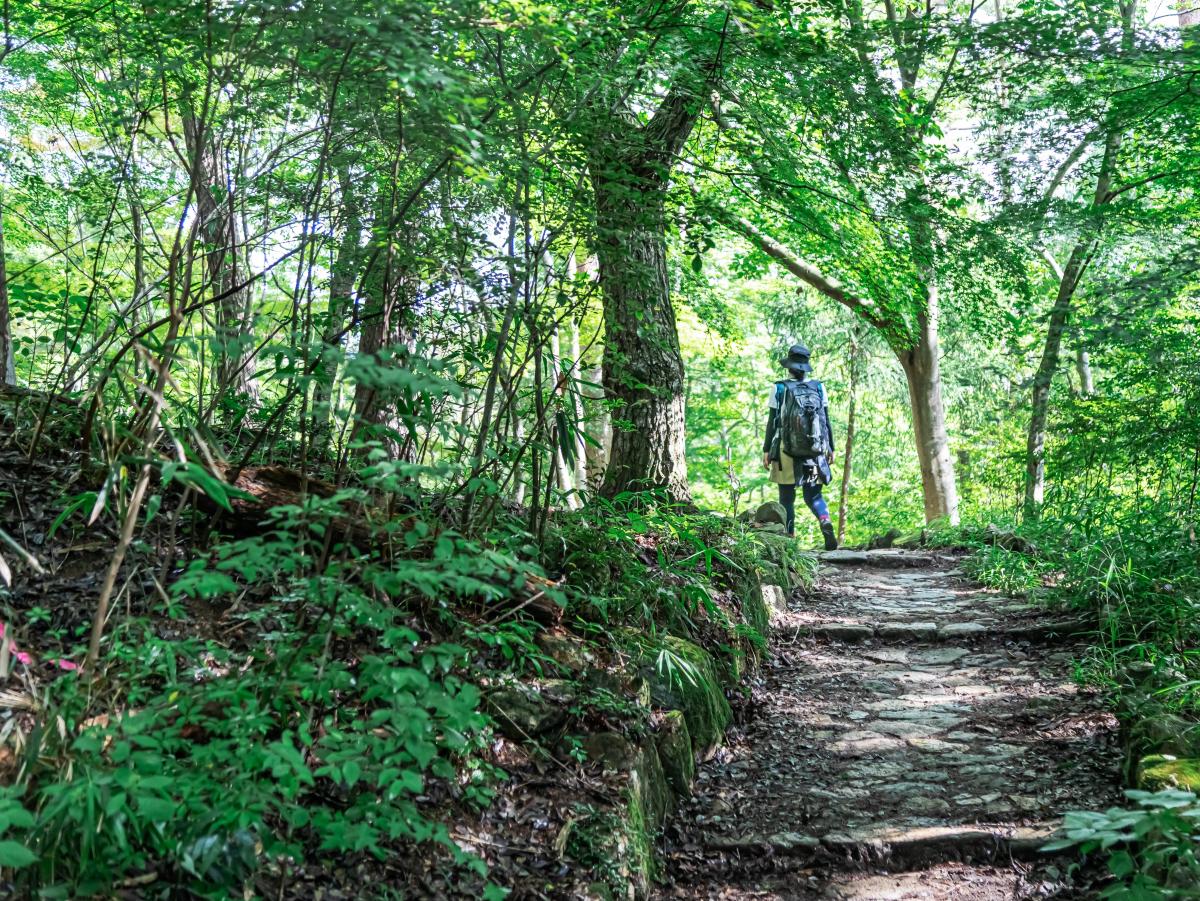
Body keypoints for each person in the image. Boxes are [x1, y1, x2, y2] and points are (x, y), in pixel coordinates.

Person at [762, 344, 838, 550]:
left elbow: (772, 422)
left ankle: (789, 540)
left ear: (789, 366)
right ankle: (825, 521)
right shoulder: (819, 388)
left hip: (786, 450)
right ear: (806, 366)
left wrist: (766, 450)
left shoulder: (779, 388)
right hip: (815, 450)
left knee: (786, 498)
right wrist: (830, 447)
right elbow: (825, 419)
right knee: (814, 496)